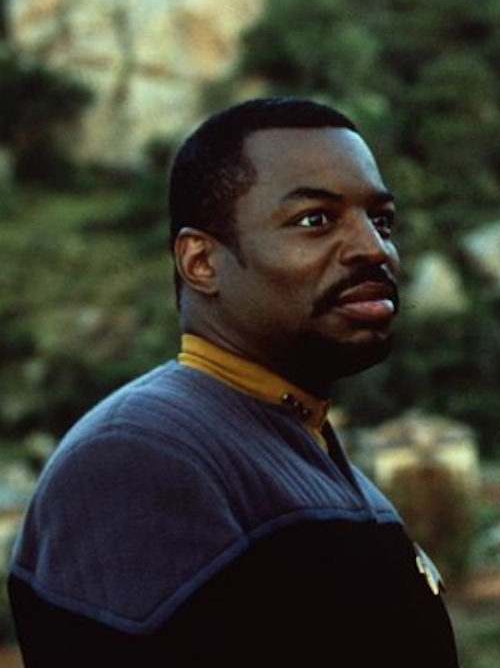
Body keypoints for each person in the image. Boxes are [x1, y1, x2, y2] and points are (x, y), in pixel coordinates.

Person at [7, 97, 459, 666]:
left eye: (382, 220)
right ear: (201, 261)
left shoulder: (299, 440)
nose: (374, 248)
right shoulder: (140, 456)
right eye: (315, 220)